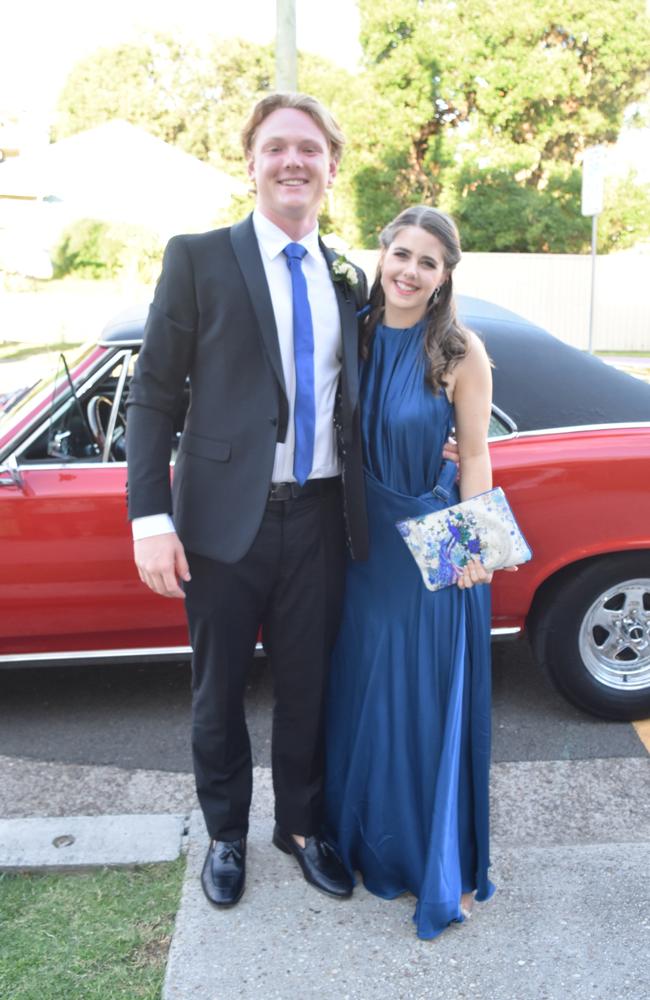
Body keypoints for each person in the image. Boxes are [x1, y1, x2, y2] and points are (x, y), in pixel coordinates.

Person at [125, 92, 371, 908]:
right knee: (218, 687)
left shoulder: (350, 276)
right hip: (218, 521)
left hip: (322, 517)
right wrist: (149, 517)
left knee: (310, 684)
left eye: (309, 148)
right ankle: (226, 833)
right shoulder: (197, 258)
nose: (293, 161)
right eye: (276, 148)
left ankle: (300, 826)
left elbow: (361, 394)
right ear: (252, 161)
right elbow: (154, 395)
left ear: (331, 167)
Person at [324, 205, 502, 940]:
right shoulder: (353, 332)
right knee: (366, 702)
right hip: (357, 553)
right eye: (402, 252)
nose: (410, 269)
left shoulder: (459, 350)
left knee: (423, 705)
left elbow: (477, 453)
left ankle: (435, 861)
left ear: (445, 275)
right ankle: (367, 846)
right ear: (383, 253)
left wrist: (471, 551)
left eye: (429, 261)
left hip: (429, 547)